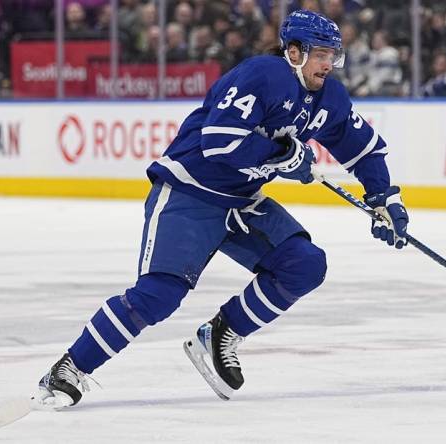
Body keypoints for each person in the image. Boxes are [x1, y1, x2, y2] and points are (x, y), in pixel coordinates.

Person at [35, 9, 410, 409]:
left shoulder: (330, 97)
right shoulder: (263, 75)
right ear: (294, 52)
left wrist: (383, 197)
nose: (329, 64)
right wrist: (282, 155)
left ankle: (221, 333)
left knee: (304, 264)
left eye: (333, 55)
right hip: (190, 192)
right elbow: (218, 141)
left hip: (243, 201)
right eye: (321, 54)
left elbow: (364, 147)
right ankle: (71, 367)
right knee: (160, 294)